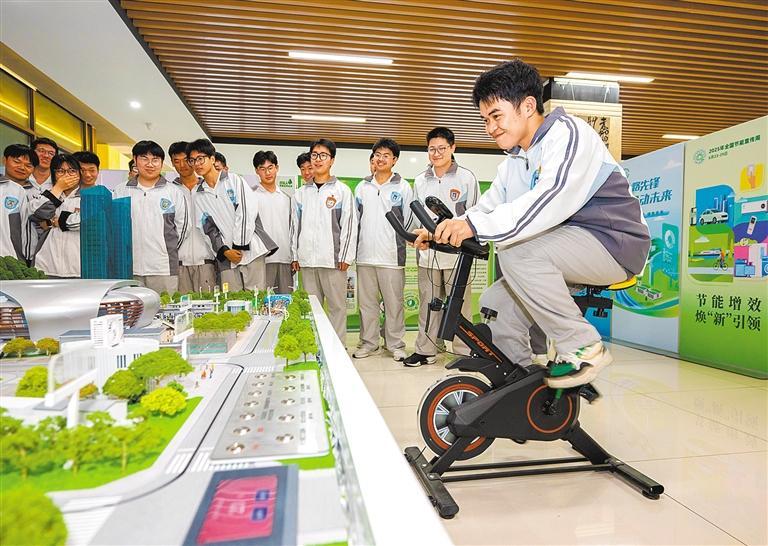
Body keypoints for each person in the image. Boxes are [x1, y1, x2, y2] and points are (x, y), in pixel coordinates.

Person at [414, 59, 649, 388]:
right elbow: (487, 207)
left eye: (496, 116)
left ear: (527, 106)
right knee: (494, 302)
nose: (490, 128)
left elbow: (549, 200)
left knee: (518, 254)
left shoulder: (567, 134)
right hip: (568, 245)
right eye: (485, 120)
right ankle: (522, 384)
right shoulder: (515, 161)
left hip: (613, 243)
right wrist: (444, 230)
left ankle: (583, 346)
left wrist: (474, 228)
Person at [406, 127, 480, 367]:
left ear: (452, 148)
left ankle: (463, 351)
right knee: (428, 304)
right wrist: (417, 237)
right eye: (432, 149)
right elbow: (417, 217)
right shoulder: (420, 180)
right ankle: (425, 350)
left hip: (457, 255)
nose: (436, 153)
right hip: (428, 254)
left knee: (460, 305)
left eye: (442, 148)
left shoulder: (466, 178)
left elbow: (474, 215)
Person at [352, 138, 413, 361]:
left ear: (394, 160)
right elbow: (355, 221)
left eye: (386, 155)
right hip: (365, 256)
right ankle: (369, 343)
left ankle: (395, 344)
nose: (380, 158)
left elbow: (409, 221)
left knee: (394, 304)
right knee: (367, 305)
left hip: (391, 257)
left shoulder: (403, 187)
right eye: (377, 154)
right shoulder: (362, 187)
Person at [292, 138, 357, 343]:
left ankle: (337, 347)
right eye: (314, 155)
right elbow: (294, 227)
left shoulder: (342, 191)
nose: (318, 159)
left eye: (323, 155)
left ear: (332, 160)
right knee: (312, 308)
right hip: (307, 262)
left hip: (333, 261)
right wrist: (295, 255)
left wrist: (345, 256)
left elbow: (349, 226)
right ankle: (315, 346)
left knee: (337, 307)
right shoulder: (300, 194)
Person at [187, 138, 275, 292]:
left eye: (200, 158)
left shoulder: (234, 180)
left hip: (251, 250)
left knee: (256, 297)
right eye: (192, 160)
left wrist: (239, 246)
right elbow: (206, 227)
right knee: (232, 299)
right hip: (227, 257)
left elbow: (246, 212)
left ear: (212, 159)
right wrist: (225, 251)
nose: (197, 164)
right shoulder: (198, 194)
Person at [113, 140, 189, 294]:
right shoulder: (121, 191)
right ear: (135, 160)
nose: (150, 164)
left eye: (155, 160)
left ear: (161, 163)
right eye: (144, 158)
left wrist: (167, 251)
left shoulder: (173, 192)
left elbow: (183, 228)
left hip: (163, 267)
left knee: (165, 306)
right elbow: (113, 226)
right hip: (129, 266)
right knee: (132, 307)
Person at [168, 141, 215, 293]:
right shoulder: (169, 191)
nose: (182, 165)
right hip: (179, 262)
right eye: (177, 161)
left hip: (206, 261)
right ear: (172, 163)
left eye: (186, 160)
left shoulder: (207, 188)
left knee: (210, 303)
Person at [30, 154, 83, 278]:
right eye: (60, 171)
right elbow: (36, 212)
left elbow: (87, 221)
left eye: (72, 171)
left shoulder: (88, 197)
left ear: (80, 173)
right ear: (53, 174)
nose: (66, 175)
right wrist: (58, 188)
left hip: (77, 267)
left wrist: (58, 222)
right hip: (46, 266)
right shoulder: (47, 194)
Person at [252, 150, 296, 293]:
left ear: (277, 168)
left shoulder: (287, 198)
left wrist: (293, 257)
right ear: (256, 171)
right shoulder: (251, 197)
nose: (267, 173)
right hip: (261, 260)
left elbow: (292, 230)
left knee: (286, 301)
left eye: (270, 168)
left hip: (285, 259)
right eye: (262, 169)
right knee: (262, 301)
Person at [0, 144, 35, 261]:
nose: (22, 167)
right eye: (16, 161)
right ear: (4, 160)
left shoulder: (38, 193)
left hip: (15, 257)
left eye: (28, 165)